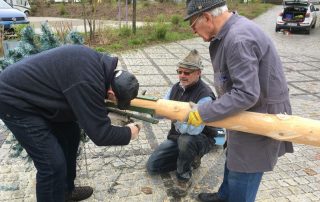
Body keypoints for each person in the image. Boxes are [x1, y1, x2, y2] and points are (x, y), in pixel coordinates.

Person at [183, 1, 294, 202]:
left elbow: (245, 94)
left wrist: (203, 112)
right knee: (233, 155)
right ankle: (224, 195)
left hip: (260, 116)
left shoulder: (238, 38)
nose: (194, 32)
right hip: (247, 110)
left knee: (244, 168)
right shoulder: (231, 31)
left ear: (207, 17)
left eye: (193, 26)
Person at [0, 45, 141, 202]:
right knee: (52, 165)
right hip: (14, 102)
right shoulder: (87, 81)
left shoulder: (100, 68)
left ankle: (66, 192)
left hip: (37, 97)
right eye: (116, 100)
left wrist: (105, 113)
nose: (113, 102)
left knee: (71, 133)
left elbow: (81, 99)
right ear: (111, 93)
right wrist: (129, 133)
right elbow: (101, 135)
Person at [147, 49, 223, 197]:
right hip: (177, 137)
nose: (182, 75)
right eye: (180, 71)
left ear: (198, 73)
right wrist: (152, 110)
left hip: (200, 138)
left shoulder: (205, 95)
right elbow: (162, 110)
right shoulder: (175, 88)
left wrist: (174, 119)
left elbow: (193, 131)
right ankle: (189, 158)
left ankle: (184, 178)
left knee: (186, 140)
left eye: (187, 73)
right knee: (153, 166)